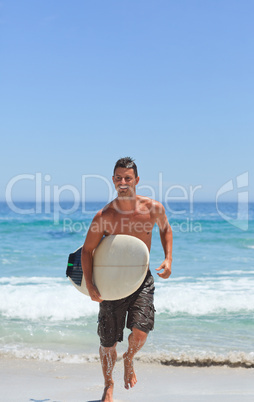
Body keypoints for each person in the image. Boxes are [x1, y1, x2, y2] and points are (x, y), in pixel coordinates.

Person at [81, 157, 173, 402]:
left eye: (128, 178)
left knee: (140, 333)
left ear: (137, 180)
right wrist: (90, 285)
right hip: (110, 284)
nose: (123, 182)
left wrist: (168, 258)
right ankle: (108, 385)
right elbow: (87, 251)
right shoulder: (105, 215)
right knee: (108, 341)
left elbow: (165, 229)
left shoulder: (153, 208)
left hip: (141, 278)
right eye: (119, 178)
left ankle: (129, 358)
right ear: (113, 180)